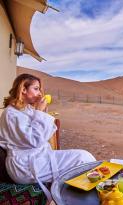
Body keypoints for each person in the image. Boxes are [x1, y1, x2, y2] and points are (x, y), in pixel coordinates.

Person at [0, 73, 96, 202]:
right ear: (23, 89)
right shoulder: (10, 114)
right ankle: (79, 200)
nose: (40, 93)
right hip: (23, 166)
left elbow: (45, 134)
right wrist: (39, 112)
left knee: (85, 157)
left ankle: (78, 197)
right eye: (36, 88)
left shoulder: (26, 109)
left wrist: (41, 113)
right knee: (83, 159)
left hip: (38, 158)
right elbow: (34, 141)